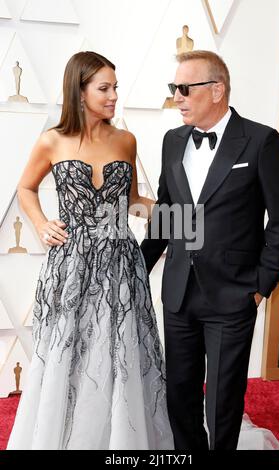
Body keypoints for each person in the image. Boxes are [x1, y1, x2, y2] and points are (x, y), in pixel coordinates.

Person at [7, 51, 174, 450]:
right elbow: (25, 188)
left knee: (118, 351)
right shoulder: (52, 140)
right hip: (71, 264)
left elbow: (131, 199)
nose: (114, 95)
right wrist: (41, 223)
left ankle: (119, 440)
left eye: (115, 86)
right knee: (72, 351)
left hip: (120, 262)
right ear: (79, 92)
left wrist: (182, 214)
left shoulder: (125, 140)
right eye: (104, 88)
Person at [140, 50, 279, 450]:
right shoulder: (172, 141)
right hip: (178, 293)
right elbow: (168, 213)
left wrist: (261, 285)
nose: (176, 96)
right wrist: (136, 267)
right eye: (173, 88)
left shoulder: (261, 141)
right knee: (180, 397)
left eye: (184, 88)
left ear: (217, 89)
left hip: (233, 294)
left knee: (222, 403)